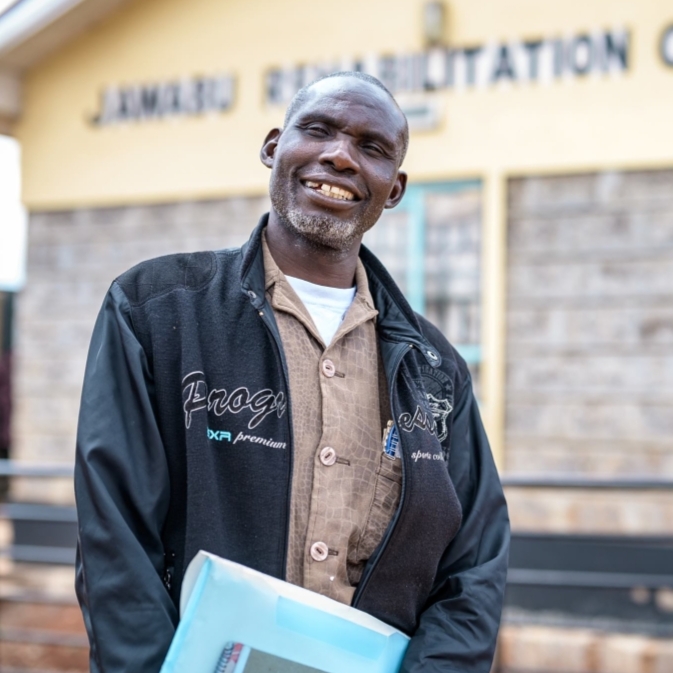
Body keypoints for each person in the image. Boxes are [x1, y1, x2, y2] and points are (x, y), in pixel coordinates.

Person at [75, 72, 509, 673]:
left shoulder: (436, 372)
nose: (340, 156)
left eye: (372, 148)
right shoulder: (155, 311)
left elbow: (475, 566)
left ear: (395, 188)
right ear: (273, 147)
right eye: (319, 130)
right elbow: (114, 541)